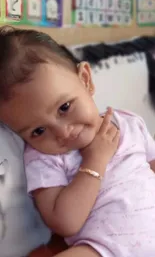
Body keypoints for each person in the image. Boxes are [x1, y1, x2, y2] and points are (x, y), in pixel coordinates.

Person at [0, 26, 155, 257]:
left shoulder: (128, 123)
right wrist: (94, 162)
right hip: (103, 249)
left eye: (64, 107)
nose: (62, 133)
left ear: (85, 80)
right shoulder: (43, 158)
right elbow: (65, 223)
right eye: (38, 130)